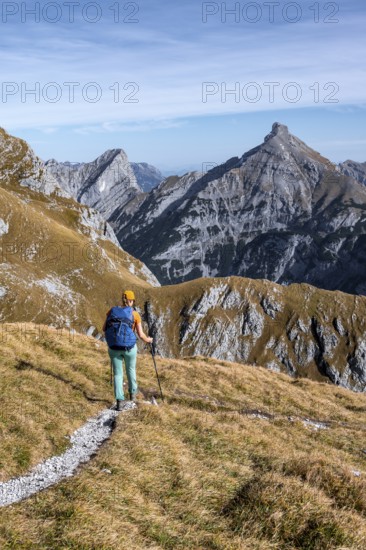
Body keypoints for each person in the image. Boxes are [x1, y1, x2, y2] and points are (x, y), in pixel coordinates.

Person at [103, 290, 153, 410]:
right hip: (129, 348)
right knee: (131, 370)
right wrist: (149, 340)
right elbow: (140, 335)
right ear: (131, 301)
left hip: (114, 347)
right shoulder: (134, 314)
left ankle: (119, 402)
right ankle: (132, 396)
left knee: (118, 374)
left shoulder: (112, 311)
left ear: (122, 299)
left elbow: (104, 328)